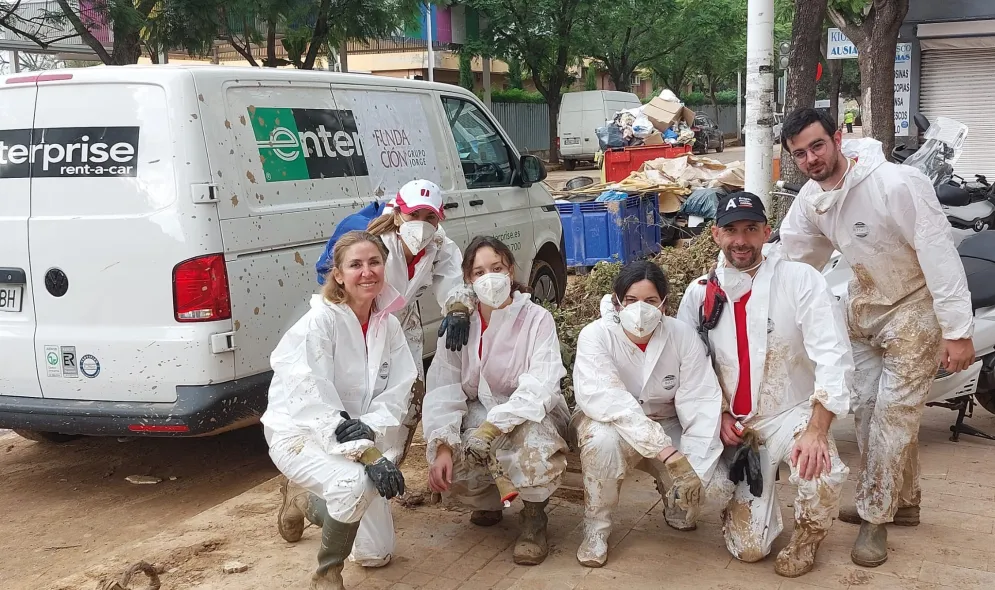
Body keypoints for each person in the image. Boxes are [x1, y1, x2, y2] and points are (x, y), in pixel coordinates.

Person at [778, 107, 975, 568]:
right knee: (865, 411)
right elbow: (793, 251)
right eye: (800, 153)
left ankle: (874, 519)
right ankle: (903, 502)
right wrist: (744, 272)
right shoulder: (812, 198)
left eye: (817, 146)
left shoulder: (896, 184)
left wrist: (958, 330)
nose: (810, 158)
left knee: (892, 419)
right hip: (863, 306)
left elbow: (939, 252)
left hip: (915, 308)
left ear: (838, 138)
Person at [677, 191, 853, 577]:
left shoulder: (799, 280)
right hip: (736, 427)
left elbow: (832, 354)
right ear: (715, 235)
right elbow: (689, 368)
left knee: (820, 469)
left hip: (790, 413)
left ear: (766, 232)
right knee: (749, 551)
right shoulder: (700, 293)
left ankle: (807, 539)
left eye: (751, 229)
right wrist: (718, 414)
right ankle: (749, 504)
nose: (741, 240)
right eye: (731, 230)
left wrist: (816, 430)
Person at [263, 231, 417, 590]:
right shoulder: (321, 322)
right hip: (301, 435)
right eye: (356, 265)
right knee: (354, 483)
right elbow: (310, 397)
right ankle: (327, 575)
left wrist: (367, 430)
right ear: (338, 274)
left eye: (374, 262)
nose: (367, 272)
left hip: (357, 434)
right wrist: (367, 452)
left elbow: (398, 390)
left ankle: (304, 500)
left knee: (376, 554)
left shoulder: (388, 323)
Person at [423, 236, 569, 566]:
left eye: (497, 267)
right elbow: (444, 386)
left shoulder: (535, 319)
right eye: (478, 271)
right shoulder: (460, 324)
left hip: (531, 411)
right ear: (468, 280)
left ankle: (534, 518)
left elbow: (540, 385)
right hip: (479, 410)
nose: (489, 277)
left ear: (510, 270)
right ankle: (489, 501)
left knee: (533, 449)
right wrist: (444, 445)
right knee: (456, 463)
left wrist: (493, 428)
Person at [571, 260, 723, 568]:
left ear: (665, 304)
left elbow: (701, 400)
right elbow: (608, 400)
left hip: (667, 421)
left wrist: (692, 471)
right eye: (631, 300)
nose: (641, 309)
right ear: (617, 301)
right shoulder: (596, 336)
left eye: (651, 301)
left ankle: (673, 499)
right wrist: (670, 454)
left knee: (708, 490)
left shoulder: (681, 336)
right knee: (601, 442)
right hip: (610, 423)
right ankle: (596, 527)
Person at [316, 179, 475, 474]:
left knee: (409, 401)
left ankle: (389, 469)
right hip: (360, 322)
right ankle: (346, 472)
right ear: (399, 213)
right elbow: (343, 283)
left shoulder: (438, 243)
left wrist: (457, 308)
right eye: (414, 215)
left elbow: (453, 279)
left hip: (402, 321)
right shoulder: (375, 242)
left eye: (430, 217)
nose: (422, 225)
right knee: (360, 399)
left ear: (440, 218)